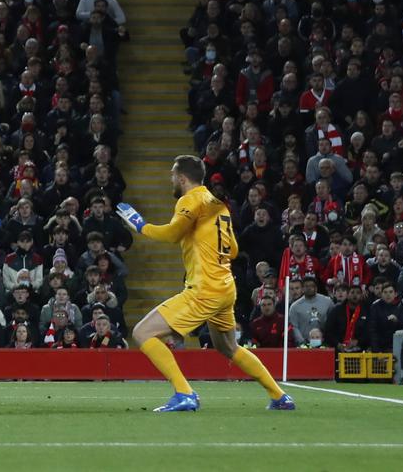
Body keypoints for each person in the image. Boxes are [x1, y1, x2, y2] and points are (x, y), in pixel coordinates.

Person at [116, 155, 294, 411]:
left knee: (142, 333)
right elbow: (232, 250)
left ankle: (184, 393)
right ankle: (279, 396)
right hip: (225, 287)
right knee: (228, 347)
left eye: (172, 176)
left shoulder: (189, 200)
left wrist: (140, 225)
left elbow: (172, 233)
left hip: (204, 289)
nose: (170, 180)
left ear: (181, 178)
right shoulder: (218, 205)